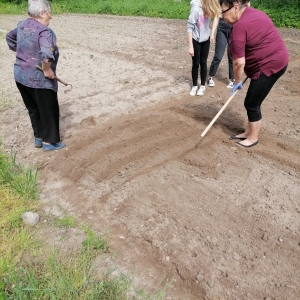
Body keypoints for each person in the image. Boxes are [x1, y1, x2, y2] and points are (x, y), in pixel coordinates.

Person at [220, 0, 289, 147]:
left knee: (252, 103)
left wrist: (237, 82)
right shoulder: (255, 13)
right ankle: (248, 132)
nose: (223, 17)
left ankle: (253, 138)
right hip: (276, 58)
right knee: (252, 101)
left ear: (236, 7)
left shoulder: (239, 27)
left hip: (270, 65)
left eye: (224, 12)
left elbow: (238, 63)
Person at [6, 0, 66, 151]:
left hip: (20, 76)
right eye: (49, 12)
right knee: (48, 108)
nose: (50, 16)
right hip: (39, 79)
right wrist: (47, 70)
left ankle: (39, 137)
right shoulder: (45, 32)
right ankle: (50, 142)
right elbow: (46, 53)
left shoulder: (22, 25)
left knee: (33, 108)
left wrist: (25, 54)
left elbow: (9, 37)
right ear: (41, 13)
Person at [207, 1, 250, 89]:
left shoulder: (240, 2)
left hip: (234, 29)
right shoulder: (222, 1)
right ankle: (210, 76)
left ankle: (232, 79)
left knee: (232, 57)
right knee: (218, 55)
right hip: (222, 29)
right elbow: (216, 17)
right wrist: (212, 34)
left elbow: (247, 11)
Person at [187, 0, 221, 96]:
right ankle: (194, 86)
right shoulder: (195, 9)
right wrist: (190, 46)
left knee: (203, 62)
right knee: (196, 63)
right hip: (195, 39)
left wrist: (212, 34)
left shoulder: (208, 7)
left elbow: (217, 16)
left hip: (206, 38)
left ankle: (202, 86)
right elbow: (189, 27)